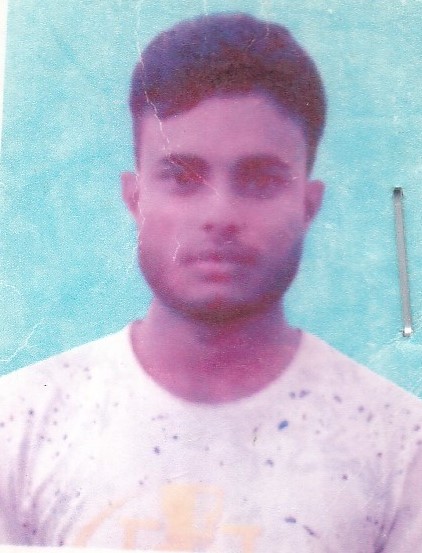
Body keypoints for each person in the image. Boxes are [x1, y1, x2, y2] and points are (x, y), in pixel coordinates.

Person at [0, 12, 421, 552]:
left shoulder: (400, 447)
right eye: (182, 177)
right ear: (135, 198)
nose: (219, 215)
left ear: (308, 204)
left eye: (261, 179)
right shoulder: (19, 426)